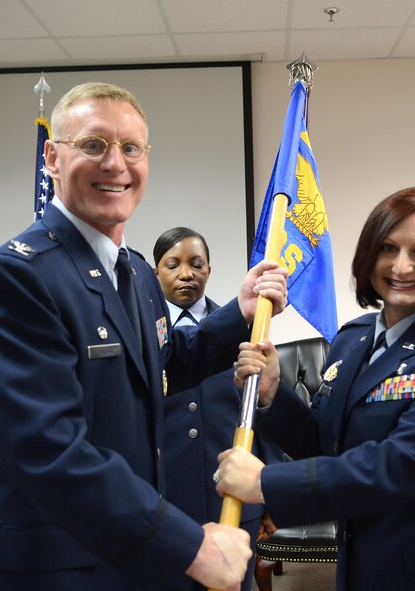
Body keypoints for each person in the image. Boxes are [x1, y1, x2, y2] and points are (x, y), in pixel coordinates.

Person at [0, 82, 287, 591]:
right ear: (52, 157)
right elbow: (51, 450)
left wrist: (239, 311)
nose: (116, 164)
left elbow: (165, 363)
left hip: (128, 553)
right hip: (54, 567)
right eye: (93, 145)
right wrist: (191, 546)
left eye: (131, 148)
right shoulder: (17, 278)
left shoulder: (132, 270)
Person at [215, 186, 415, 590]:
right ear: (368, 257)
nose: (401, 266)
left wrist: (266, 483)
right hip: (365, 566)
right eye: (388, 248)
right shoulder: (352, 339)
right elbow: (328, 443)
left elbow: (405, 462)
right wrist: (274, 392)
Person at [153, 226, 282, 591]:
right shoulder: (144, 336)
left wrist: (269, 494)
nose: (186, 273)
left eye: (197, 264)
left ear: (209, 270)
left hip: (232, 497)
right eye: (172, 264)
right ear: (155, 273)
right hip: (167, 498)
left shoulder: (248, 328)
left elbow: (262, 409)